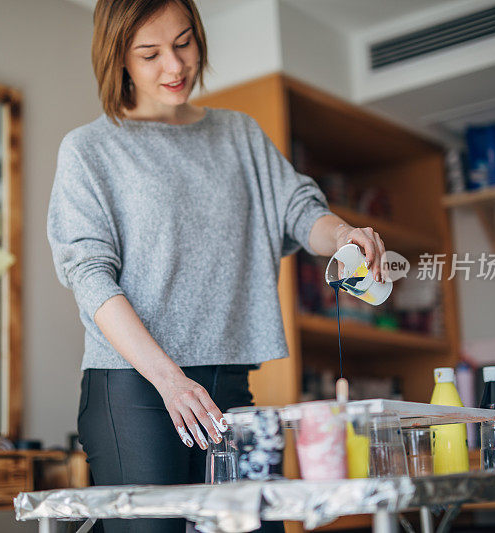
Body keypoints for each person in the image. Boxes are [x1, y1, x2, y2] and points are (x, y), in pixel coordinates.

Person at [47, 1, 387, 531]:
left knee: (255, 525)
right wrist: (169, 379)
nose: (176, 66)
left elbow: (299, 210)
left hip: (227, 382)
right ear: (118, 60)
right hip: (136, 388)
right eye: (150, 53)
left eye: (184, 42)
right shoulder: (91, 149)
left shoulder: (238, 134)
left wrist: (343, 234)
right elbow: (90, 275)